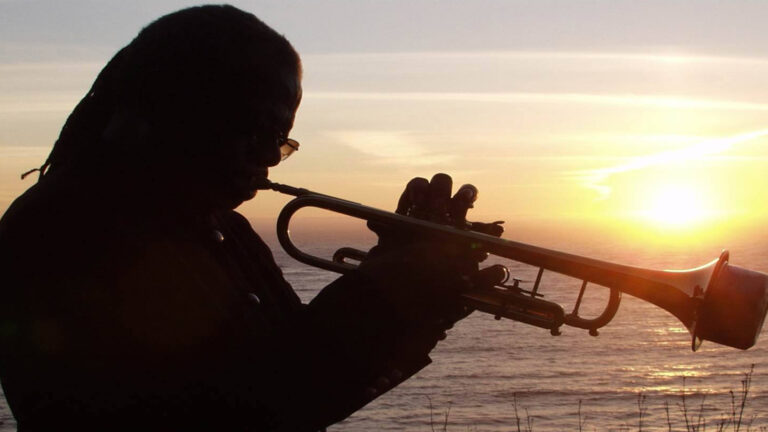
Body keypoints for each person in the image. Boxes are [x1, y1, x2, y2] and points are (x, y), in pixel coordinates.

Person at [0, 5, 500, 432]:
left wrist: (420, 296)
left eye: (279, 139)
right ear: (172, 104)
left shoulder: (219, 227)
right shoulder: (62, 228)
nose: (266, 156)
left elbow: (309, 387)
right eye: (254, 127)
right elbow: (240, 408)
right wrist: (385, 292)